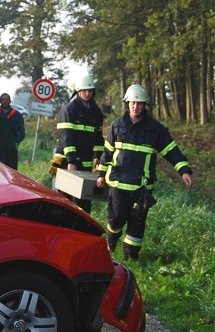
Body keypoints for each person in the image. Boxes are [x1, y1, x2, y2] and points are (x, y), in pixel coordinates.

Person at [96, 84, 193, 261]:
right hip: (118, 183)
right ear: (127, 103)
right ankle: (112, 240)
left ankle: (131, 257)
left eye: (139, 103)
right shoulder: (116, 126)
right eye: (133, 102)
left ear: (145, 105)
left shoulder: (156, 130)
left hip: (143, 185)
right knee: (117, 218)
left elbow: (172, 151)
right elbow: (107, 153)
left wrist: (184, 170)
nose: (135, 106)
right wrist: (101, 174)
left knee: (137, 222)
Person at [50, 75, 105, 213]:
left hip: (85, 163)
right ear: (78, 91)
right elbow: (66, 137)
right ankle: (63, 229)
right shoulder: (69, 109)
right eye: (84, 90)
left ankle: (82, 230)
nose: (87, 94)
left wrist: (98, 156)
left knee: (84, 201)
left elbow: (98, 137)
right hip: (67, 162)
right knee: (65, 200)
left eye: (90, 90)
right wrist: (71, 161)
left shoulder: (96, 112)